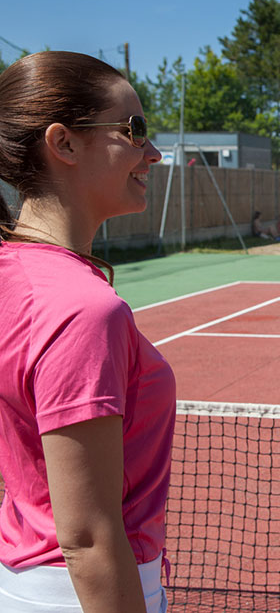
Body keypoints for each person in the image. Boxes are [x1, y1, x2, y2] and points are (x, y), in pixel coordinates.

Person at [0, 51, 175, 612]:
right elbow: (90, 541)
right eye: (135, 129)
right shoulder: (83, 310)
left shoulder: (12, 272)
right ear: (65, 144)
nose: (153, 152)